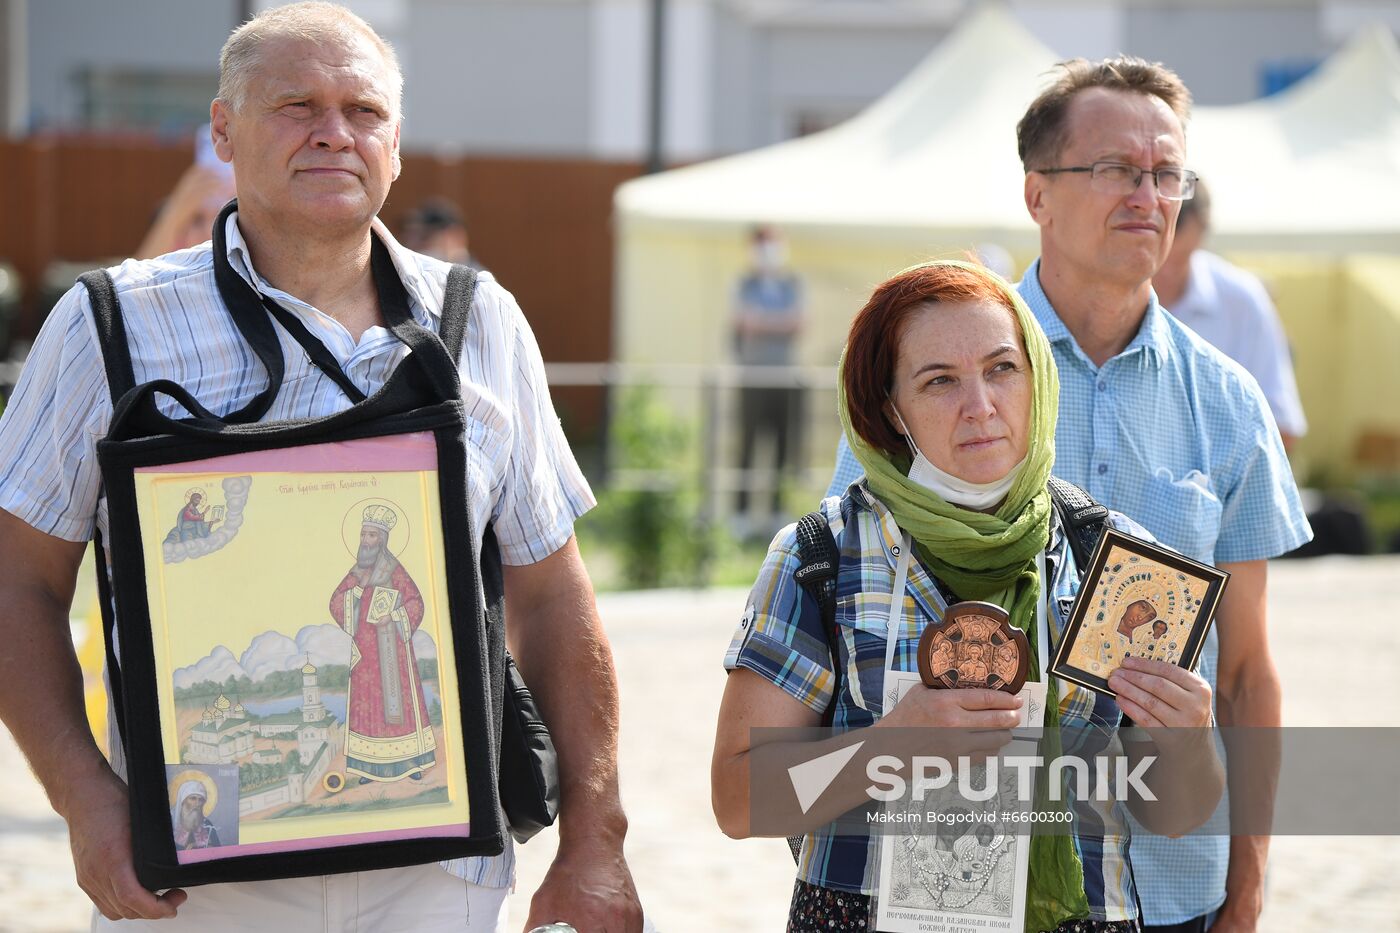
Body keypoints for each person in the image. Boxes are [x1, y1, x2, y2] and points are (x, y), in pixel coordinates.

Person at [0, 3, 640, 931]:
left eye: (365, 111)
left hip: (437, 872)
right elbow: (17, 580)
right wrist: (86, 801)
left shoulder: (481, 318)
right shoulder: (111, 326)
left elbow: (551, 594)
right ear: (223, 130)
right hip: (195, 876)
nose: (335, 132)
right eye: (296, 104)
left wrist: (596, 835)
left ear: (397, 143)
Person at [827, 58, 1311, 933]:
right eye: (1116, 169)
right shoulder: (927, 375)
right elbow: (843, 611)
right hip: (959, 872)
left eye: (1167, 174)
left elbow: (1243, 674)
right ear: (1036, 195)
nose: (1148, 195)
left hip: (1168, 875)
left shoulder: (1231, 406)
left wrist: (1247, 888)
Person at [714, 260, 1222, 932]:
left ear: (1037, 379)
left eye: (1002, 369)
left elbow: (1177, 812)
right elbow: (739, 799)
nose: (980, 405)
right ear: (891, 410)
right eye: (939, 380)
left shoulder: (1115, 560)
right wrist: (891, 746)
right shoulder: (822, 555)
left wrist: (1189, 736)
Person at [1151, 180, 1307, 451]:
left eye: (1175, 219)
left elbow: (1281, 427)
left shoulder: (1243, 301)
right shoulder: (1107, 292)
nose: (1158, 231)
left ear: (1200, 226)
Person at [330, 504, 435, 784]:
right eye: (363, 534)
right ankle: (369, 766)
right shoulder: (357, 572)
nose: (365, 540)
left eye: (372, 535)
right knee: (368, 704)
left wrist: (395, 615)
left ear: (383, 539)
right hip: (366, 653)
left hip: (393, 649)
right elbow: (335, 600)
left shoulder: (394, 569)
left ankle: (411, 762)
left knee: (398, 702)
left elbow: (416, 602)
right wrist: (351, 596)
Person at [732, 225, 804, 525]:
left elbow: (798, 322)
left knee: (782, 444)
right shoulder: (744, 283)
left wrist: (762, 321)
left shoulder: (791, 283)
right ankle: (742, 513)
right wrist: (778, 322)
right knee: (748, 443)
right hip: (752, 376)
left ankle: (777, 510)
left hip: (784, 377)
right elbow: (742, 321)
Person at [401, 197, 483, 271]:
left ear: (455, 236)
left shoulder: (477, 283)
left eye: (425, 237)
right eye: (410, 236)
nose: (414, 244)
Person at [171, 781, 222, 851]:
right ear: (183, 801)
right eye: (193, 798)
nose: (197, 803)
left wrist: (199, 846)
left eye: (200, 799)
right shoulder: (172, 821)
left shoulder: (207, 823)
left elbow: (218, 849)